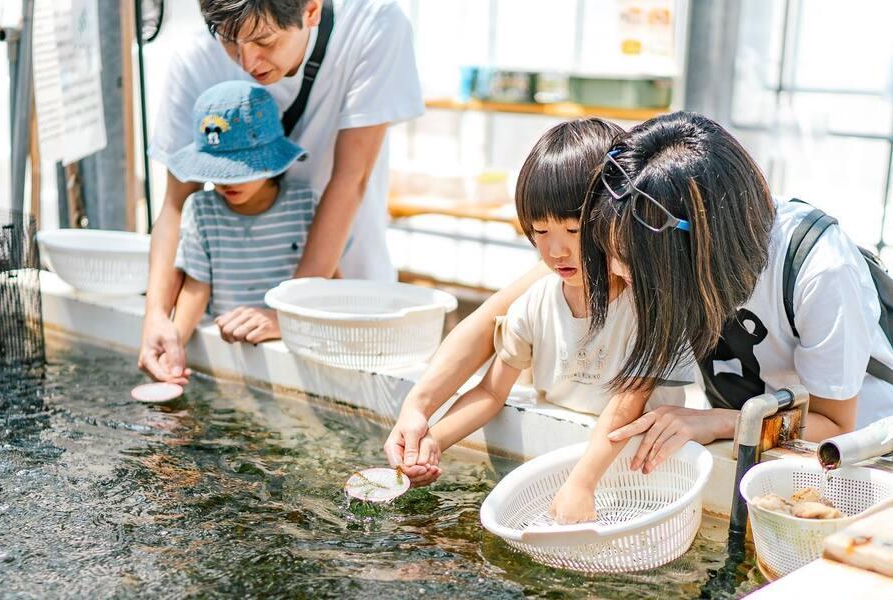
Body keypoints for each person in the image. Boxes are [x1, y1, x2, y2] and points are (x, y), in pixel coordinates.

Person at [386, 111, 893, 485]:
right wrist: (419, 406)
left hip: (855, 459)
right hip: (747, 437)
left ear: (693, 246)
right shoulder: (649, 214)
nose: (617, 270)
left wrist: (712, 419)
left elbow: (834, 423)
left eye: (627, 256)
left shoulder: (819, 270)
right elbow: (497, 316)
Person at [401, 119, 690, 523]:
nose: (556, 250)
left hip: (636, 473)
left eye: (572, 229)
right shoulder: (534, 304)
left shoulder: (647, 308)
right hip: (558, 461)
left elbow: (626, 406)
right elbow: (490, 393)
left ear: (612, 218)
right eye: (540, 230)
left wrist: (582, 483)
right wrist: (433, 442)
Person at [140, 0, 423, 384]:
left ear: (310, 10)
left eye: (264, 41)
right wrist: (157, 314)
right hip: (233, 308)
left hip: (347, 297)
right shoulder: (195, 57)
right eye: (228, 41)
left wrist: (292, 310)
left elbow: (350, 180)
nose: (247, 60)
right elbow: (176, 203)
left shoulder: (375, 25)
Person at [161, 80, 315, 362]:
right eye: (216, 172)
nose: (223, 183)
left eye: (237, 171)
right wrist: (175, 345)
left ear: (270, 158)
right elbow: (196, 287)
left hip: (287, 346)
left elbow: (327, 282)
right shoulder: (201, 209)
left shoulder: (305, 205)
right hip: (226, 348)